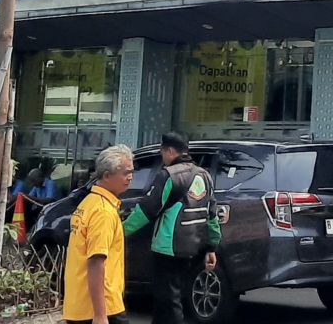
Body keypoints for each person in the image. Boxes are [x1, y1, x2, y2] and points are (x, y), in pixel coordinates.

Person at [123, 132, 220, 324]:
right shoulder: (205, 176)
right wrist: (211, 247)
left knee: (169, 300)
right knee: (165, 298)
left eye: (162, 152)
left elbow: (146, 210)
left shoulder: (168, 175)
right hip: (192, 246)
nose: (161, 157)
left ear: (169, 151)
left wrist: (120, 230)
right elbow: (212, 215)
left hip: (168, 248)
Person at [63, 145, 133, 324]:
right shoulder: (103, 211)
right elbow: (96, 261)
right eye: (125, 173)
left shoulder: (89, 203)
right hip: (102, 307)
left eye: (131, 172)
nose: (130, 178)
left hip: (79, 305)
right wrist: (100, 315)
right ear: (107, 176)